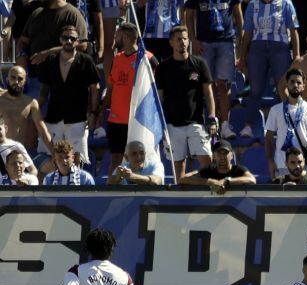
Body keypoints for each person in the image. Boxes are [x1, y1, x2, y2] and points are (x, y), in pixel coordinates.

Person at [156, 26, 216, 181]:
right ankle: (180, 200)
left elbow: (208, 94)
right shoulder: (163, 68)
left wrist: (211, 116)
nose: (182, 42)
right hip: (172, 124)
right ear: (171, 43)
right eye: (178, 39)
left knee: (208, 165)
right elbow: (159, 99)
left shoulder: (199, 64)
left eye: (184, 38)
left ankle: (206, 199)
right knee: (178, 170)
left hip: (197, 122)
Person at [37, 24, 101, 170]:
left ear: (78, 41)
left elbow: (94, 88)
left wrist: (93, 112)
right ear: (60, 39)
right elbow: (44, 90)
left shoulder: (86, 60)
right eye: (66, 38)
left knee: (77, 159)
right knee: (50, 157)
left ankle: (76, 189)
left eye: (72, 38)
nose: (69, 41)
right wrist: (35, 109)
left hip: (77, 117)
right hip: (54, 116)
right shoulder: (51, 60)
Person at [238, 0, 300, 138]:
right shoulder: (252, 5)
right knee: (255, 89)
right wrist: (242, 58)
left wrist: (296, 56)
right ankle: (249, 125)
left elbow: (293, 31)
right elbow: (247, 33)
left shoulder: (286, 4)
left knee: (282, 88)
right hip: (257, 48)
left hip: (280, 48)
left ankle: (286, 124)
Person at [184, 0, 244, 140]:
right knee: (206, 86)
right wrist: (193, 39)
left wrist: (241, 38)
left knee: (223, 85)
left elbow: (237, 13)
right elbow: (189, 15)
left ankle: (224, 125)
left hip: (226, 41)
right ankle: (210, 123)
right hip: (204, 43)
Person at [103, 23, 158, 175]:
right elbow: (111, 87)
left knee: (139, 159)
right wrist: (101, 112)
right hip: (116, 119)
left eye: (118, 35)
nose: (115, 39)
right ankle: (112, 191)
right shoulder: (117, 58)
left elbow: (156, 88)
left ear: (126, 37)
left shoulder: (148, 58)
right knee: (116, 158)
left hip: (137, 120)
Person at [264, 68, 307, 180]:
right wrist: (270, 161)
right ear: (287, 84)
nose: (295, 85)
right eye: (292, 82)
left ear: (304, 86)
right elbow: (268, 138)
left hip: (304, 166)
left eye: (299, 82)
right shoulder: (275, 110)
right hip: (281, 165)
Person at [0, 66, 53, 156]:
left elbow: (43, 131)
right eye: (13, 78)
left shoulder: (31, 103)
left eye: (20, 79)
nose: (16, 82)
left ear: (25, 81)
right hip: (1, 152)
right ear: (7, 79)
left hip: (20, 154)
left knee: (50, 166)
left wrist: (54, 154)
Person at [180, 140, 257, 193]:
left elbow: (252, 179)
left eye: (225, 153)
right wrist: (211, 182)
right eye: (219, 153)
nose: (222, 157)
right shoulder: (208, 170)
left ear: (231, 156)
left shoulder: (238, 170)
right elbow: (183, 179)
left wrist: (226, 181)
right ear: (214, 156)